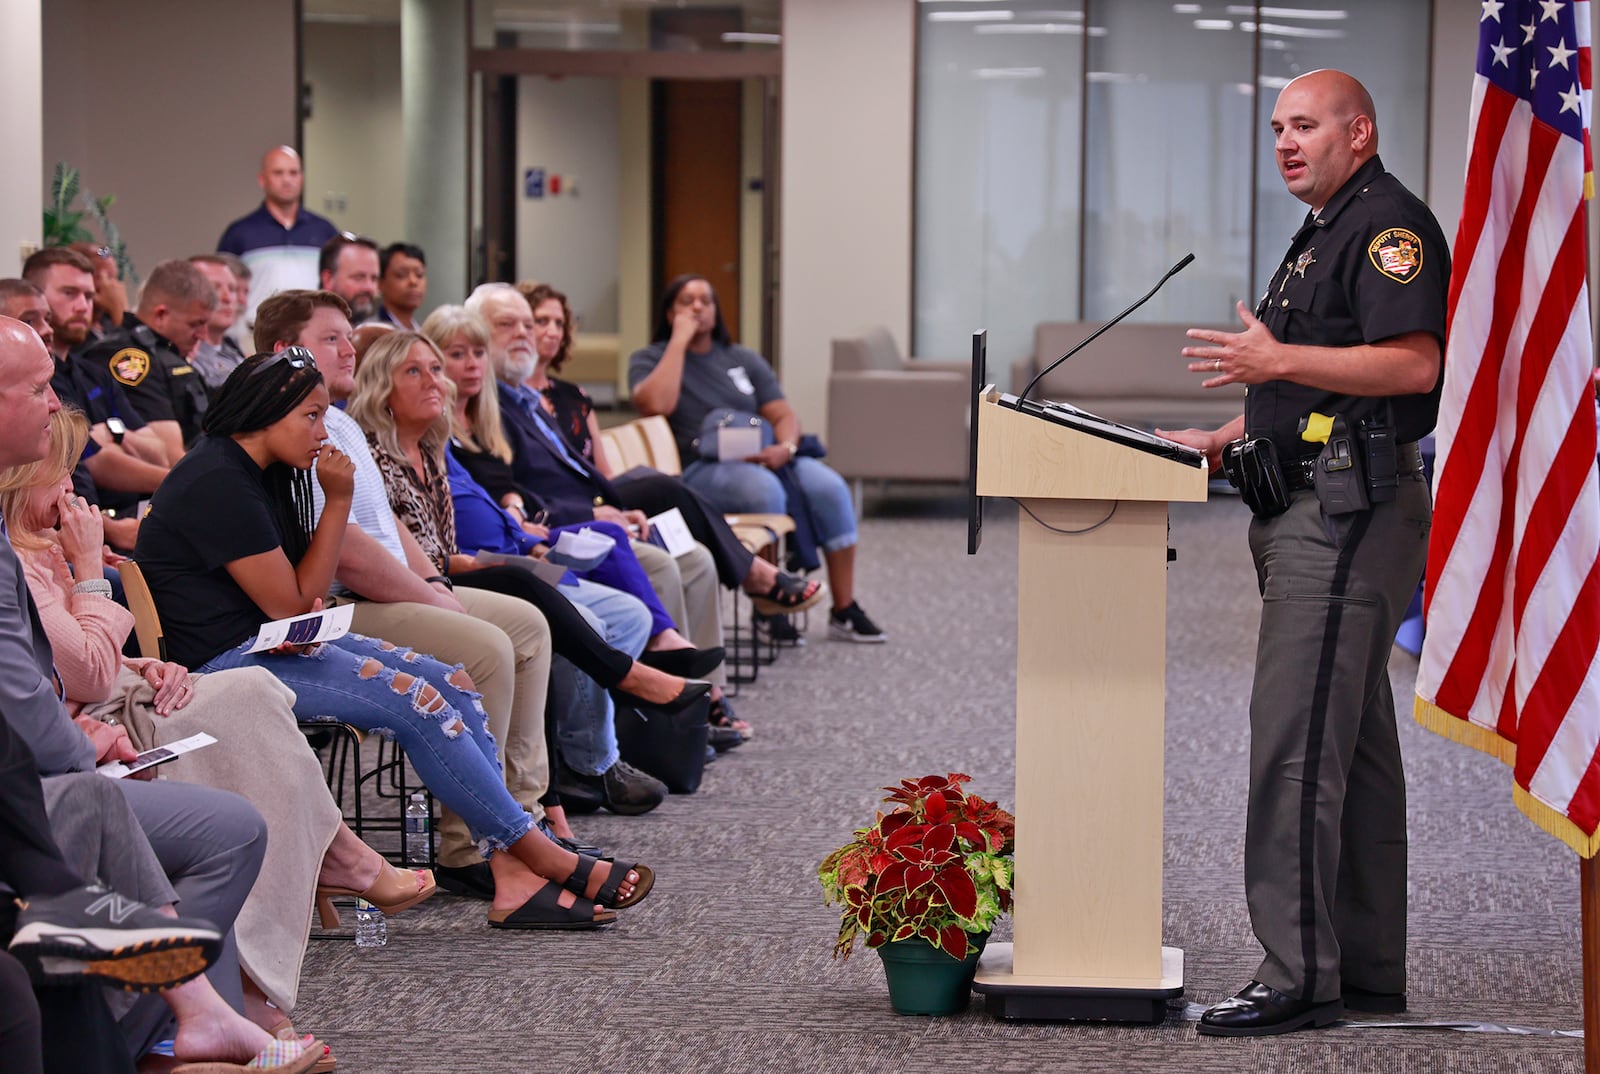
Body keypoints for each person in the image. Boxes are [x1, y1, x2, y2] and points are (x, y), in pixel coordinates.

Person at [133, 350, 656, 932]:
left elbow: (300, 604)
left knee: (450, 681)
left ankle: (513, 879)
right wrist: (336, 500)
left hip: (273, 642)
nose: (322, 432)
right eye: (310, 417)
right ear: (266, 413)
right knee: (419, 700)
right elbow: (289, 603)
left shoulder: (262, 473)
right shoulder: (216, 480)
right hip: (225, 664)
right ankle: (538, 855)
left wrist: (324, 501)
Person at [1155, 70, 1447, 1037]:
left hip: (1348, 514)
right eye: (1278, 127)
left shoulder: (1388, 227)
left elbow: (1411, 365)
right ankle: (1361, 969)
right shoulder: (1328, 225)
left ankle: (1296, 977)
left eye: (1306, 125)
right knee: (1351, 746)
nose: (1285, 141)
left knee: (1292, 749)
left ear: (1358, 132)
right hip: (1319, 498)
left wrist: (1274, 363)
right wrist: (1231, 430)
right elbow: (1325, 381)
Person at [2, 405, 435, 1035]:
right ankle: (289, 929)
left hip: (111, 705)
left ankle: (325, 878)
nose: (73, 492)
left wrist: (145, 664)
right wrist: (92, 575)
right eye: (59, 477)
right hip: (88, 733)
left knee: (252, 694)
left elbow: (91, 661)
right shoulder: (28, 560)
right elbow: (84, 674)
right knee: (241, 720)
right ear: (21, 482)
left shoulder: (44, 551)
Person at [347, 332, 719, 795]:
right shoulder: (370, 457)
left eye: (435, 369)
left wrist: (499, 550)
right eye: (414, 372)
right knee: (530, 612)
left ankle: (585, 761)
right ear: (382, 390)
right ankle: (590, 752)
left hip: (454, 572)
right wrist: (478, 561)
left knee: (596, 603)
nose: (434, 382)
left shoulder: (428, 448)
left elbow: (443, 542)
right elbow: (401, 553)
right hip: (408, 590)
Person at [629, 274, 885, 642]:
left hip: (765, 456)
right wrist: (680, 341)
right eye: (687, 301)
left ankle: (843, 608)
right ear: (670, 313)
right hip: (702, 467)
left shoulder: (741, 358)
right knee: (763, 491)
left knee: (830, 488)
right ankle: (770, 603)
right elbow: (655, 404)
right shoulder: (651, 359)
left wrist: (786, 448)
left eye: (707, 300)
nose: (699, 307)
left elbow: (782, 414)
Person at [82, 259, 216, 460]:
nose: (203, 335)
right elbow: (171, 458)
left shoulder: (165, 353)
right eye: (196, 324)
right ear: (161, 315)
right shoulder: (129, 357)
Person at [217, 146, 340, 334]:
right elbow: (221, 288)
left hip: (313, 334)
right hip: (254, 336)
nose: (287, 180)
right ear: (262, 179)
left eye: (293, 173)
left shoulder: (324, 230)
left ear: (302, 178)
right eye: (278, 173)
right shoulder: (240, 232)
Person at [187, 256, 249, 393]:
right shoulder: (184, 356)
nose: (227, 298)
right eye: (215, 288)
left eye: (232, 289)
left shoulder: (235, 351)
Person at [66, 243, 127, 342]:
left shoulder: (107, 322)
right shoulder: (74, 329)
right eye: (109, 277)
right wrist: (118, 310)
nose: (113, 286)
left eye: (113, 276)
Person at [317, 234, 380, 325]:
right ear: (328, 279)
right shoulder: (301, 334)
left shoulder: (380, 333)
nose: (369, 287)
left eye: (374, 279)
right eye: (359, 277)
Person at [376, 243, 427, 330]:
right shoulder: (370, 333)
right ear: (380, 283)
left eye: (419, 275)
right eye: (401, 275)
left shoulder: (423, 332)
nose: (413, 282)